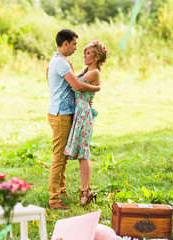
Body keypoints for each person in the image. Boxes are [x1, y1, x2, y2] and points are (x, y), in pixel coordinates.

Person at [47, 29, 101, 210]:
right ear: (65, 44)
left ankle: (61, 192)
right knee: (59, 158)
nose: (76, 48)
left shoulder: (59, 61)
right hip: (61, 114)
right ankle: (54, 199)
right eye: (74, 44)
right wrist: (96, 89)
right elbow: (77, 85)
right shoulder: (61, 62)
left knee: (62, 154)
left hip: (64, 112)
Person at [64, 40, 108, 206]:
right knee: (82, 151)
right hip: (80, 112)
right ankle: (86, 190)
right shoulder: (87, 71)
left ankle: (85, 191)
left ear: (96, 57)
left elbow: (75, 85)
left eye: (88, 53)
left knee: (83, 152)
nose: (84, 56)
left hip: (84, 114)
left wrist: (97, 88)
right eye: (84, 53)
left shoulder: (94, 72)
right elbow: (76, 81)